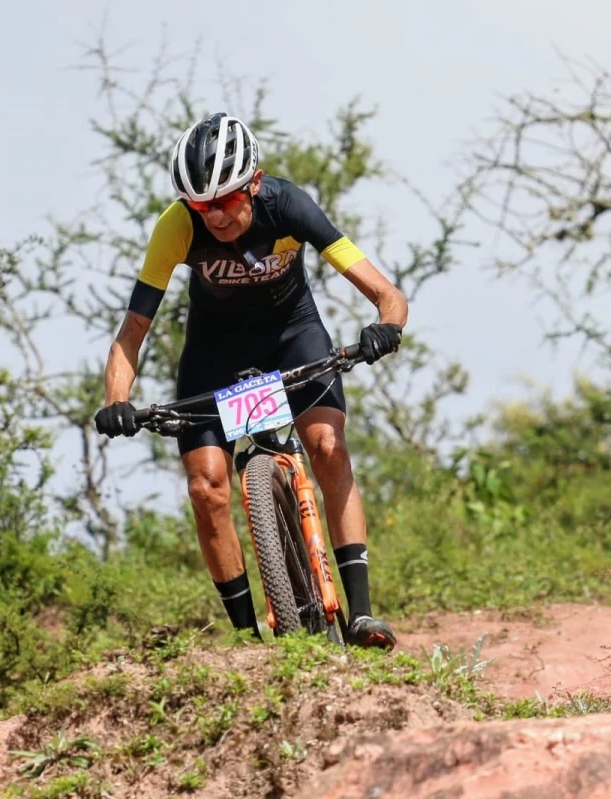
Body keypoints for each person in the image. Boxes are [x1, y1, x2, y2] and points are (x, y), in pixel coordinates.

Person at [94, 112, 406, 649]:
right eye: (200, 204)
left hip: (293, 336)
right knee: (204, 485)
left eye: (224, 200)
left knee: (327, 444)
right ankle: (248, 644)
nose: (212, 215)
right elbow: (132, 331)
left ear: (253, 183)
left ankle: (361, 614)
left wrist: (385, 327)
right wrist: (116, 400)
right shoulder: (177, 227)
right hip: (213, 353)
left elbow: (388, 294)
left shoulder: (288, 205)